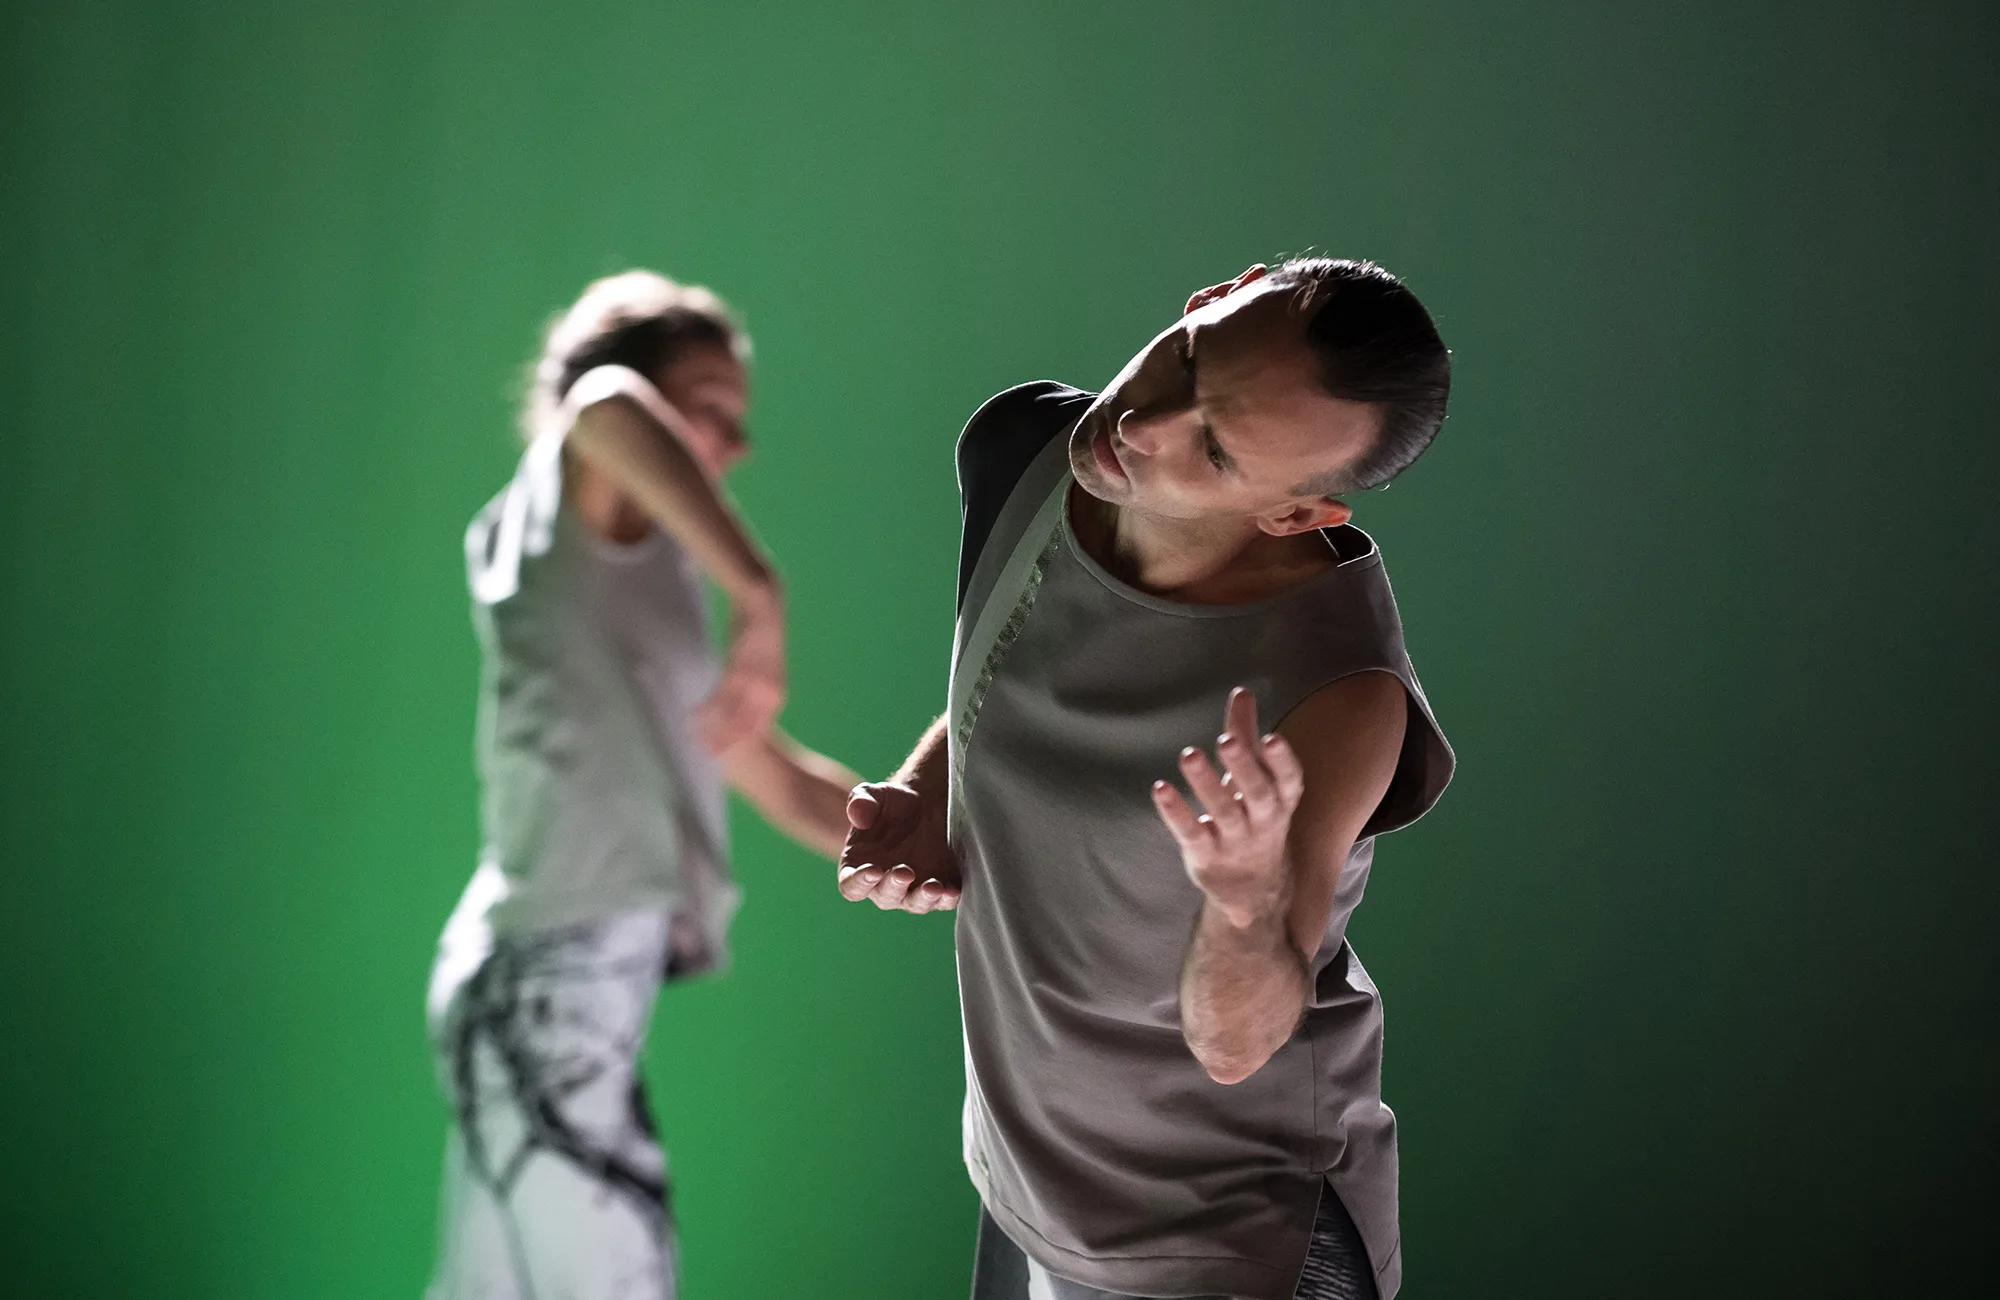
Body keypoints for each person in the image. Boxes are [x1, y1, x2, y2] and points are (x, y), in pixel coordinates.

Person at [837, 259, 1456, 1300]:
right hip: (1027, 1180)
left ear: (1295, 514)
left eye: (1214, 450)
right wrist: (929, 789)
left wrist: (1243, 901)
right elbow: (1023, 655)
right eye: (1187, 362)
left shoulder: (1339, 694)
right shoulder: (1021, 450)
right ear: (1213, 295)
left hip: (1223, 1243)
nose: (1144, 423)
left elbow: (1236, 1046)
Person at [425, 271, 859, 1300]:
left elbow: (780, 781)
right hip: (546, 981)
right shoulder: (570, 496)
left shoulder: (631, 589)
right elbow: (603, 406)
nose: (736, 445)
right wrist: (759, 591)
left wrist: (974, 841)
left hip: (539, 987)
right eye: (710, 409)